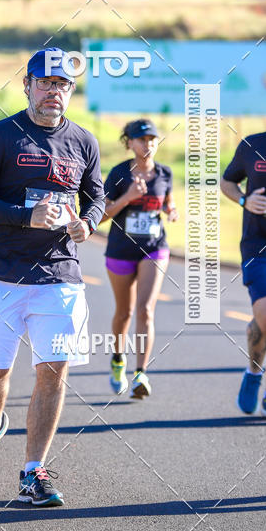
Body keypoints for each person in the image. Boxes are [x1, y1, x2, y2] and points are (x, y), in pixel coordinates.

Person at [0, 48, 105, 507]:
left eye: (61, 85)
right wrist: (25, 216)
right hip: (1, 272)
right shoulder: (1, 135)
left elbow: (96, 196)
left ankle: (31, 472)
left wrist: (89, 223)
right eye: (45, 83)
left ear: (70, 91)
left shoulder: (84, 141)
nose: (52, 92)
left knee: (52, 370)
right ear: (27, 85)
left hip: (61, 273)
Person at [221, 80, 266, 420]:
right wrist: (246, 200)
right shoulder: (253, 146)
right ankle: (253, 371)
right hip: (260, 245)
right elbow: (227, 181)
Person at [99, 119, 178, 399]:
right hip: (121, 249)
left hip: (154, 247)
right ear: (129, 143)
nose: (148, 144)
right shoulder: (119, 174)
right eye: (142, 139)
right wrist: (128, 198)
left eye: (153, 139)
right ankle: (118, 358)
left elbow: (166, 201)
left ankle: (141, 373)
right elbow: (102, 214)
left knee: (145, 310)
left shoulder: (165, 173)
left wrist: (171, 210)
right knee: (125, 313)